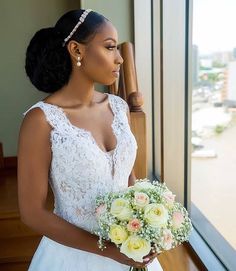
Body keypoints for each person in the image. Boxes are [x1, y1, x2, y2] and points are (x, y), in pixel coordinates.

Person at [18, 9, 163, 270]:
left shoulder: (119, 107)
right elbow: (32, 213)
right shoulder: (40, 121)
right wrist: (111, 252)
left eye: (118, 49)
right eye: (109, 48)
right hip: (74, 257)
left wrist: (145, 226)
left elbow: (125, 176)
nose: (119, 59)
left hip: (130, 250)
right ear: (76, 50)